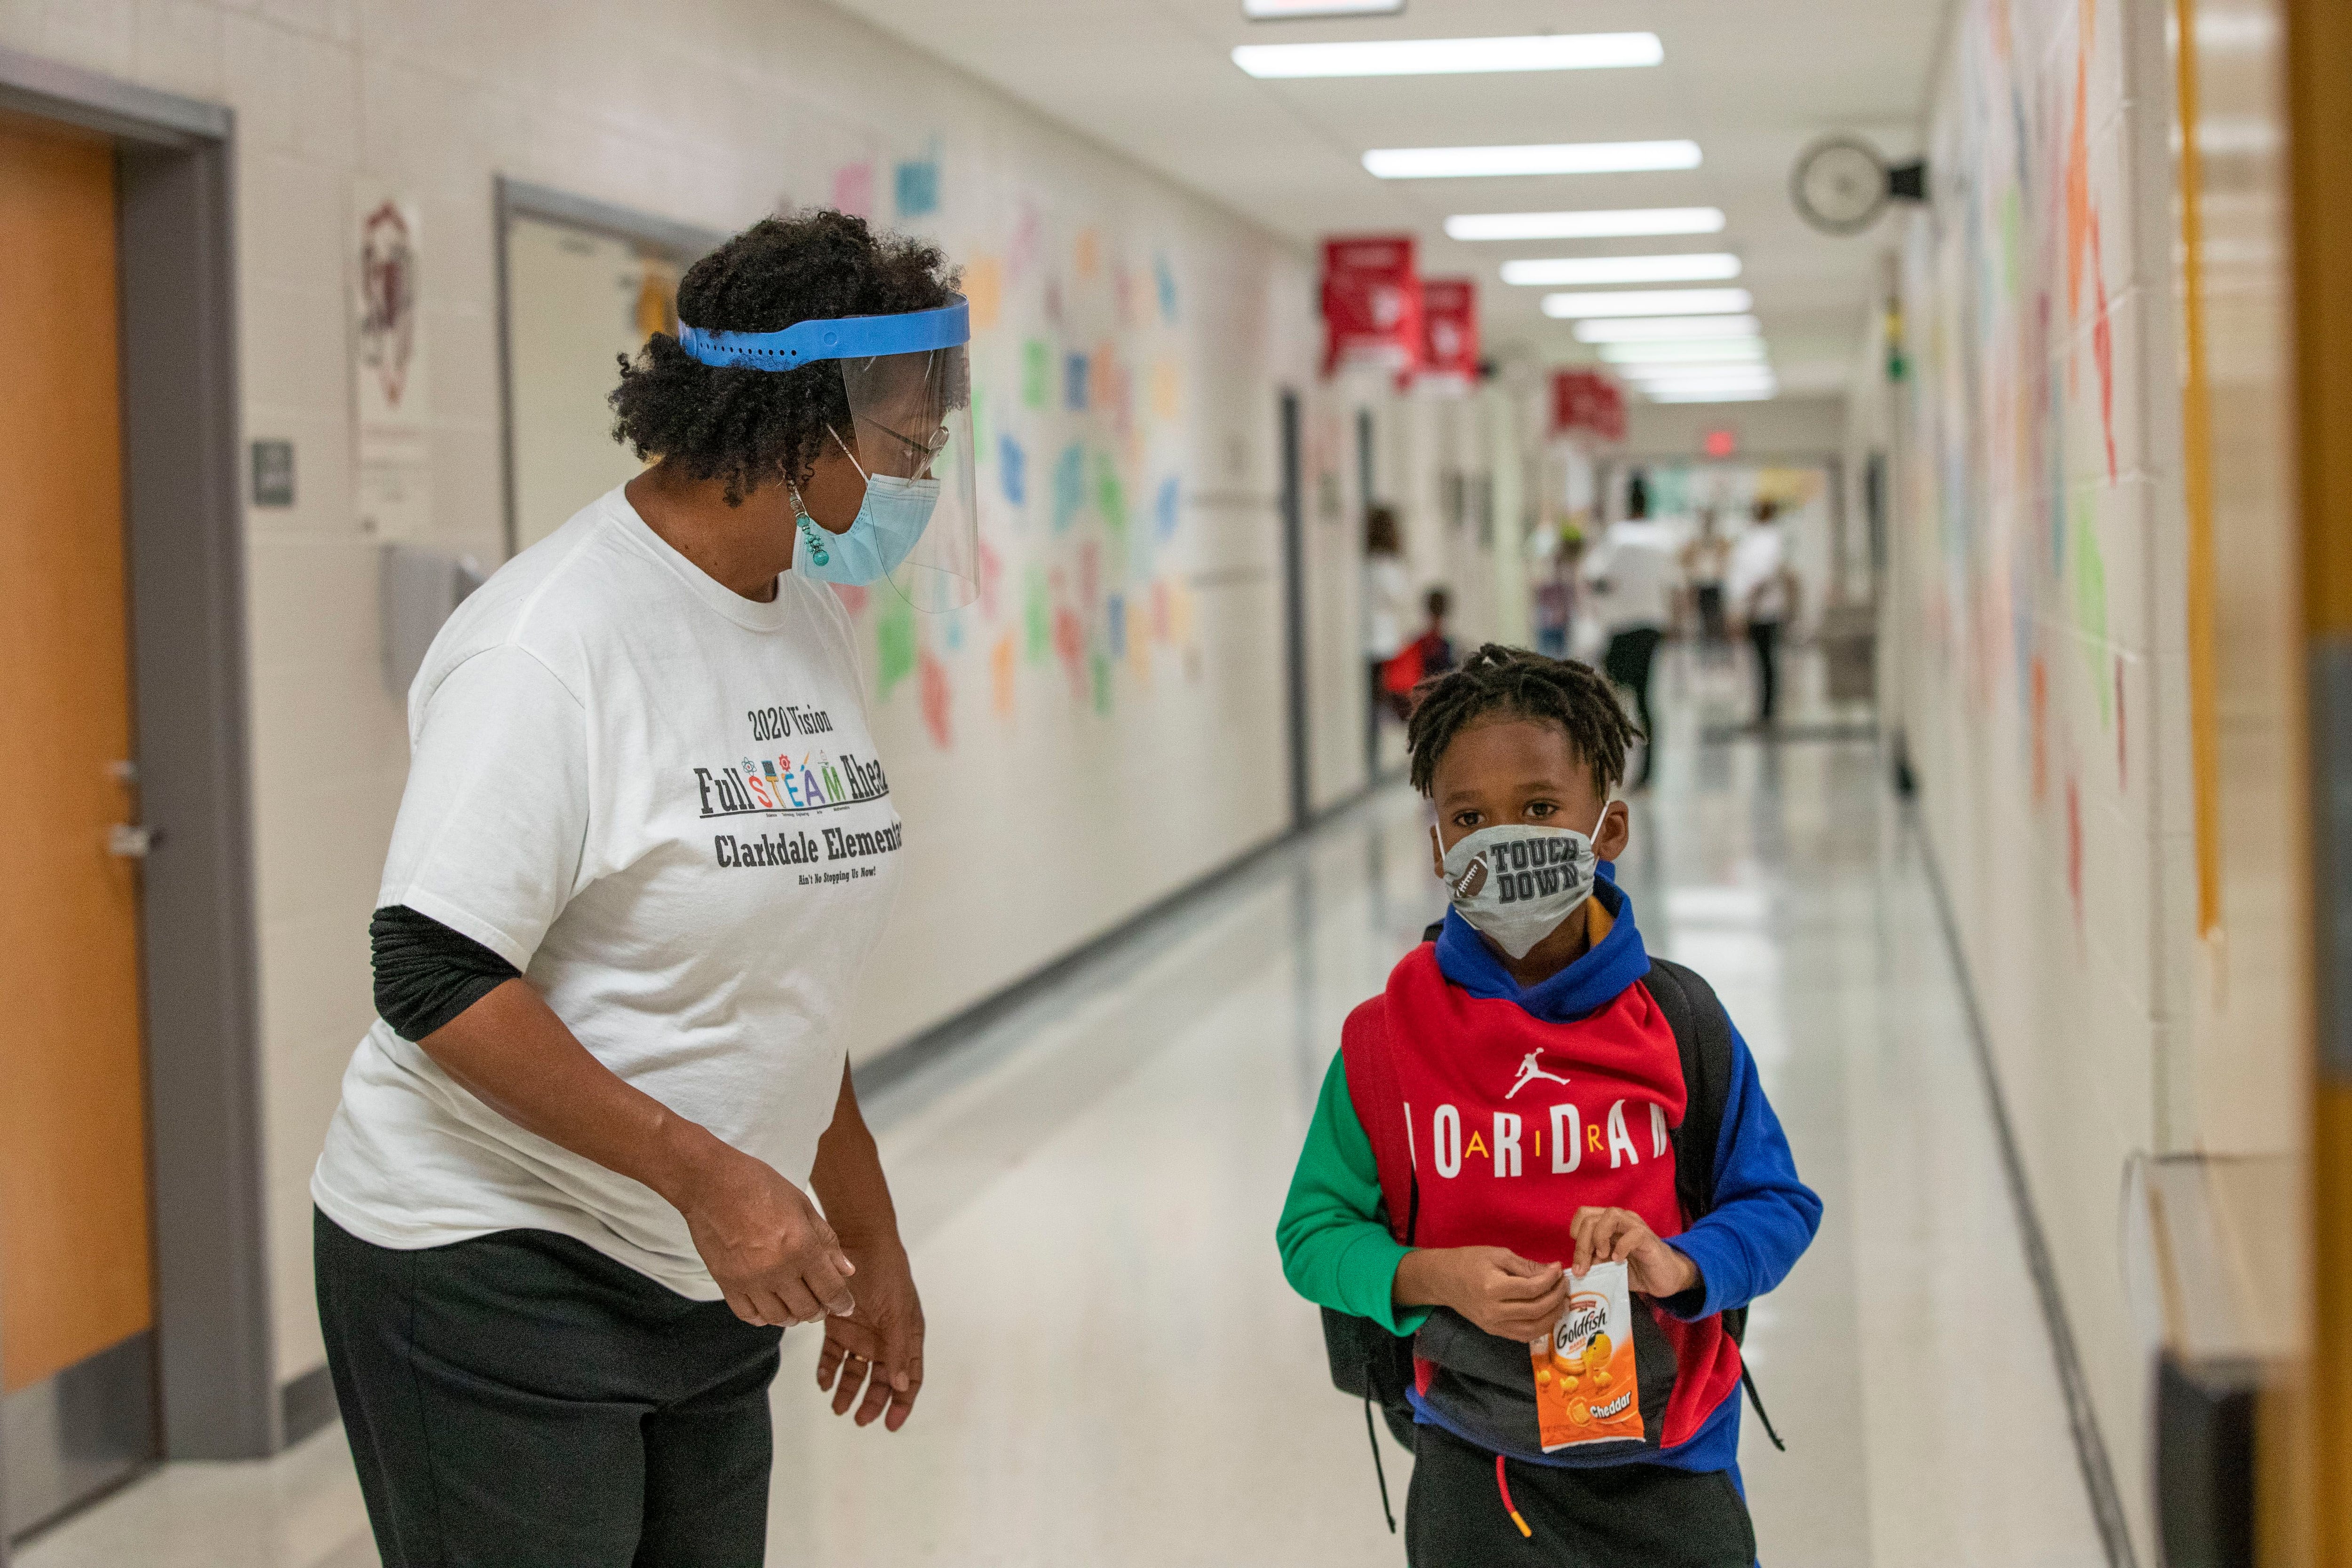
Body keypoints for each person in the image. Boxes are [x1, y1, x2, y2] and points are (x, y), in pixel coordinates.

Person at [310, 210, 980, 1568]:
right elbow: (430, 971)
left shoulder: (799, 610)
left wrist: (865, 1222)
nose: (920, 479)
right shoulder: (548, 644)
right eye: (907, 446)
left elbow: (780, 977)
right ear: (799, 424)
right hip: (496, 1259)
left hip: (705, 1268)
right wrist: (707, 1175)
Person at [1276, 646, 1820, 1567]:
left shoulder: (1679, 1021)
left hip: (1670, 1462)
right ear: (1439, 845)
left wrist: (1679, 1263)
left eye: (1538, 807)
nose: (1504, 838)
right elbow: (1312, 1234)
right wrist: (1433, 1276)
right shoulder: (1385, 1040)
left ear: (1609, 827)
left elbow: (1776, 1204)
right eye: (1469, 817)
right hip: (1475, 1465)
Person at [1580, 484, 1679, 789]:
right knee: (1645, 698)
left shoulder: (1617, 538)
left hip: (1621, 628)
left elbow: (1594, 578)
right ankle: (1648, 773)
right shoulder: (1662, 539)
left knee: (1609, 697)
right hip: (1651, 628)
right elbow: (1675, 586)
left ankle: (1607, 765)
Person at [1727, 500, 1800, 727]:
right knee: (1760, 662)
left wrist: (1749, 601)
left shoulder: (1771, 538)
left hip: (1764, 610)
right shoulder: (1754, 539)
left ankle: (1767, 711)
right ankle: (1762, 709)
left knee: (1766, 661)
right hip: (1756, 609)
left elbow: (1766, 574)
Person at [1366, 504, 1412, 773]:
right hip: (1384, 640)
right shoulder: (1388, 566)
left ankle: (1374, 746)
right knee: (1385, 695)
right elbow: (1400, 597)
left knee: (1375, 696)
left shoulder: (1364, 564)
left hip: (1369, 641)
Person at [1680, 509, 1732, 663]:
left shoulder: (1720, 540)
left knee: (1716, 617)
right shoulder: (1695, 542)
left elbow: (1726, 560)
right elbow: (1684, 560)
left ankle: (1718, 650)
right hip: (1700, 584)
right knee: (1702, 618)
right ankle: (1705, 650)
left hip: (1715, 584)